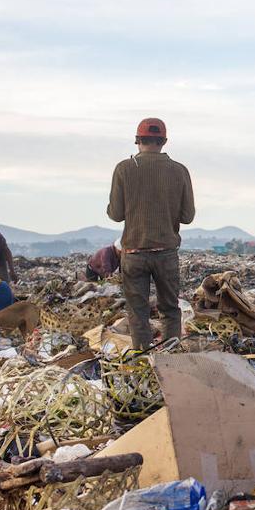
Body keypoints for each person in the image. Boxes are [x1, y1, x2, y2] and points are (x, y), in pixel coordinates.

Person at [107, 118, 195, 350]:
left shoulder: (124, 168)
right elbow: (188, 216)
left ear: (138, 141)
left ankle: (142, 362)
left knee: (138, 313)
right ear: (163, 141)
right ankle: (170, 359)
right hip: (166, 253)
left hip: (134, 253)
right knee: (169, 310)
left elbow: (115, 214)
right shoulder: (179, 171)